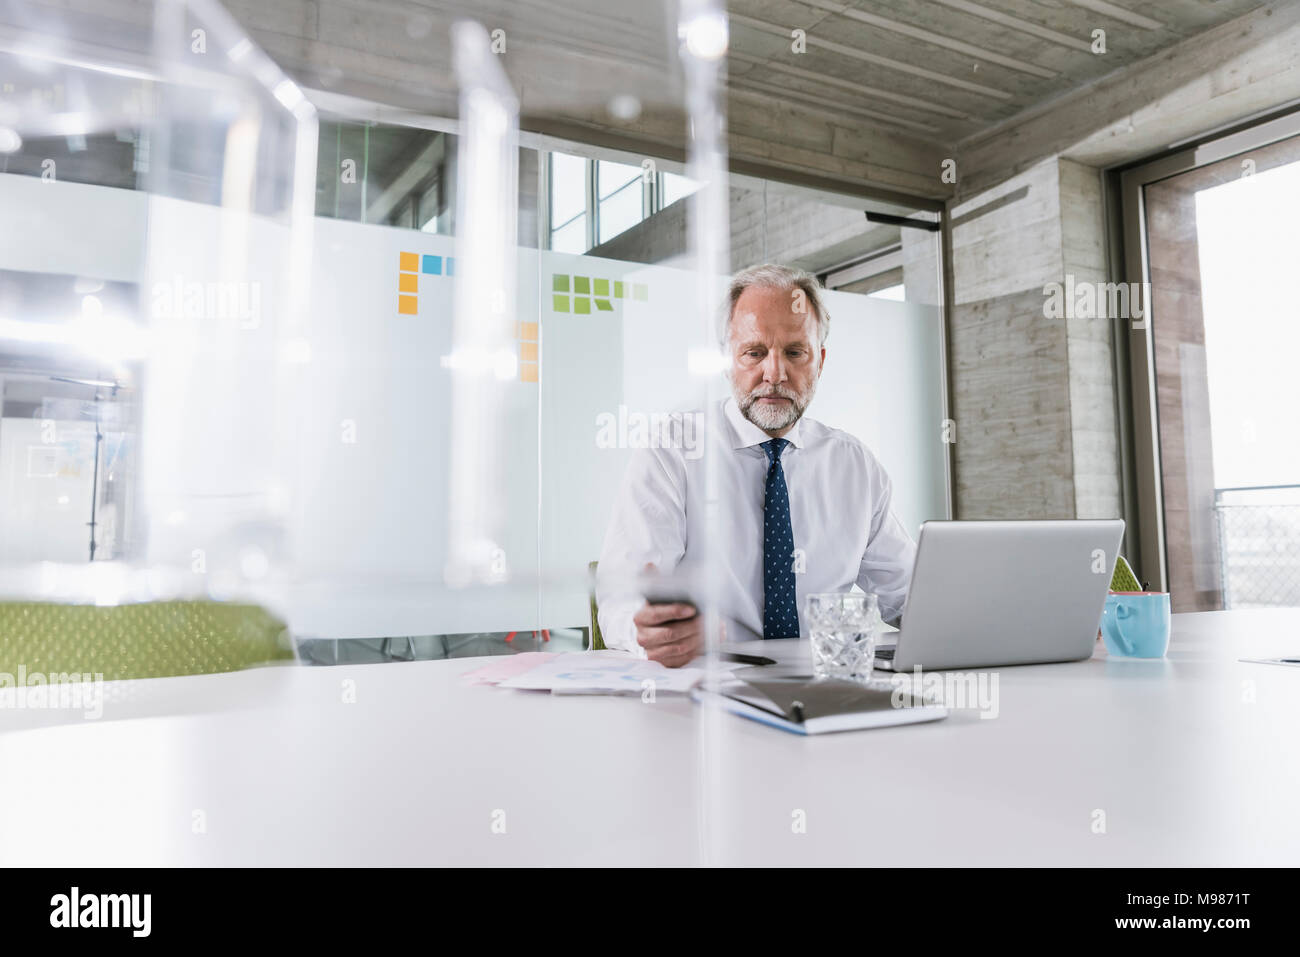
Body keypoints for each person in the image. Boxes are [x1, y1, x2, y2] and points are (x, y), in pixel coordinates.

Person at [595, 263, 917, 667]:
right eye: (755, 352)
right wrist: (652, 629)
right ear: (728, 360)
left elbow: (912, 598)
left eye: (795, 352)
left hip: (823, 694)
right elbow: (621, 599)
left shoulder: (854, 467)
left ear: (819, 360)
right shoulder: (674, 451)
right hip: (706, 692)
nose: (775, 373)